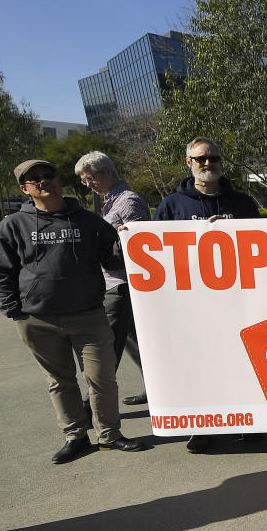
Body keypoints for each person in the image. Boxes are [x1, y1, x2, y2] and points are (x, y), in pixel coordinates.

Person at [0, 159, 147, 463]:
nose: (43, 181)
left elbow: (113, 260)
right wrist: (13, 309)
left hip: (89, 314)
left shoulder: (87, 221)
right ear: (25, 188)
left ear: (58, 181)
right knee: (60, 381)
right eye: (34, 179)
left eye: (48, 175)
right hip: (37, 319)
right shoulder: (13, 225)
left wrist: (128, 241)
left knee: (102, 379)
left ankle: (110, 435)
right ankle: (76, 437)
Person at [155, 137, 260, 453]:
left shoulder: (242, 203)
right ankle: (201, 426)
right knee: (199, 365)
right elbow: (155, 251)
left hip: (237, 301)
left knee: (240, 362)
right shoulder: (172, 206)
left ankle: (247, 421)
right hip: (192, 306)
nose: (207, 164)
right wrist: (129, 236)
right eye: (200, 159)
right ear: (188, 163)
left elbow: (266, 244)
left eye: (212, 158)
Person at [74, 151, 150, 406]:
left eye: (90, 178)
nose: (88, 184)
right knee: (136, 344)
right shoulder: (112, 202)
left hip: (123, 286)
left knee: (105, 351)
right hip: (116, 284)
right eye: (85, 181)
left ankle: (87, 408)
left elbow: (141, 248)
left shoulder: (128, 202)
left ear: (107, 171)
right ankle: (155, 388)